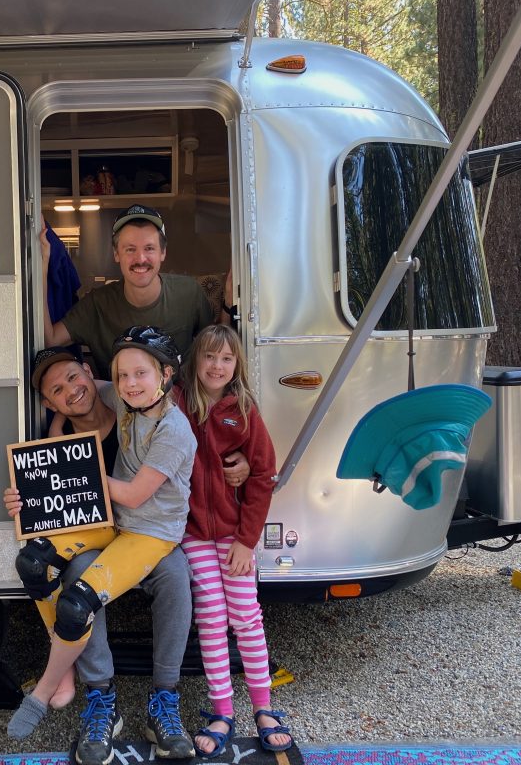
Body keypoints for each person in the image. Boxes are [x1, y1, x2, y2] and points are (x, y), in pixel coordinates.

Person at [6, 327, 197, 760]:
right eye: (123, 375)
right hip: (110, 525)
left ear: (165, 374)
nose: (130, 382)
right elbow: (58, 442)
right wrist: (27, 493)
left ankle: (162, 699)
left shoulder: (166, 425)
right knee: (34, 562)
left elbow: (133, 495)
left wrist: (72, 472)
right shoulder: (125, 397)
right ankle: (88, 686)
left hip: (150, 532)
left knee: (157, 581)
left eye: (140, 374)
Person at [176, 324, 293, 756]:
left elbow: (262, 474)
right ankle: (222, 710)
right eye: (209, 356)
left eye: (226, 358)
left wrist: (247, 540)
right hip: (193, 534)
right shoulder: (178, 405)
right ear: (195, 360)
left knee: (245, 615)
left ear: (237, 365)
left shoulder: (243, 410)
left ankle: (263, 707)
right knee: (210, 617)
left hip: (233, 535)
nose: (217, 366)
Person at [41, 205, 213, 379]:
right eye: (130, 249)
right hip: (118, 397)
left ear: (163, 252)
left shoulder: (189, 292)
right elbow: (50, 340)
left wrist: (227, 305)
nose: (140, 259)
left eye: (149, 248)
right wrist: (42, 267)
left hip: (181, 396)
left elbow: (216, 347)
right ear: (116, 254)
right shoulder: (97, 305)